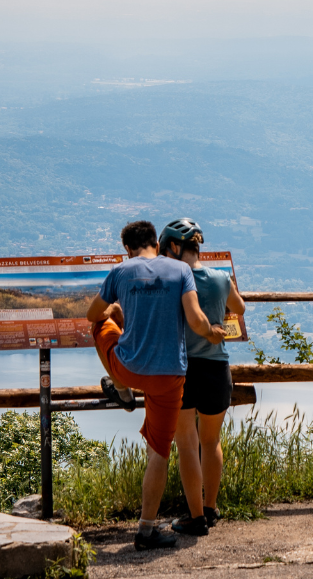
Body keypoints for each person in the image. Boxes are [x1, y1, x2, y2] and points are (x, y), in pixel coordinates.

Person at [86, 220, 227, 551]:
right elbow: (194, 319)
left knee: (100, 327)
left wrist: (115, 309)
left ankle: (120, 384)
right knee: (159, 453)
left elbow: (94, 312)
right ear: (156, 242)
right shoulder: (180, 272)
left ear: (127, 249)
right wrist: (211, 333)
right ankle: (146, 531)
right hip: (169, 377)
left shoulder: (121, 271)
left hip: (131, 368)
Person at [159, 218, 244, 533]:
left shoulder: (173, 280)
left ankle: (195, 519)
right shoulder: (221, 278)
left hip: (183, 369)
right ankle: (210, 509)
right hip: (217, 368)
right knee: (211, 441)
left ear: (173, 247)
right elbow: (240, 308)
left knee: (186, 442)